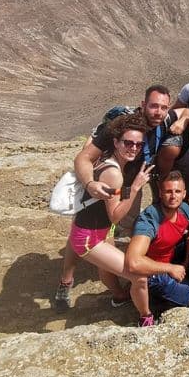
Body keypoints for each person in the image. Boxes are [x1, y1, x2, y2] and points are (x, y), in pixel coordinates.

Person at [54, 85, 189, 310]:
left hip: (129, 182)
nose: (158, 112)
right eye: (154, 106)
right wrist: (90, 183)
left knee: (113, 226)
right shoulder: (120, 127)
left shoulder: (163, 121)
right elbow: (83, 158)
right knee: (91, 224)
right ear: (143, 104)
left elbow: (187, 111)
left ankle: (116, 289)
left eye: (163, 107)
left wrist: (182, 121)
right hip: (110, 180)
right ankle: (66, 280)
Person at [53, 114, 156, 320]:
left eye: (138, 144)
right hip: (89, 238)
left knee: (106, 268)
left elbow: (114, 202)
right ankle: (146, 318)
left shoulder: (110, 160)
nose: (134, 148)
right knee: (139, 277)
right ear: (116, 142)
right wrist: (135, 187)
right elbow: (116, 216)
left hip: (95, 229)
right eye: (128, 143)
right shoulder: (113, 173)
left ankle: (118, 295)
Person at [126, 171, 189, 326]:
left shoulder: (185, 210)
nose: (173, 196)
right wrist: (170, 268)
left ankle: (168, 292)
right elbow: (133, 262)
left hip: (172, 256)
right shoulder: (149, 219)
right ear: (160, 193)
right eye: (168, 191)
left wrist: (186, 262)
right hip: (152, 271)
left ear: (184, 193)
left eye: (177, 191)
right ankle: (153, 301)